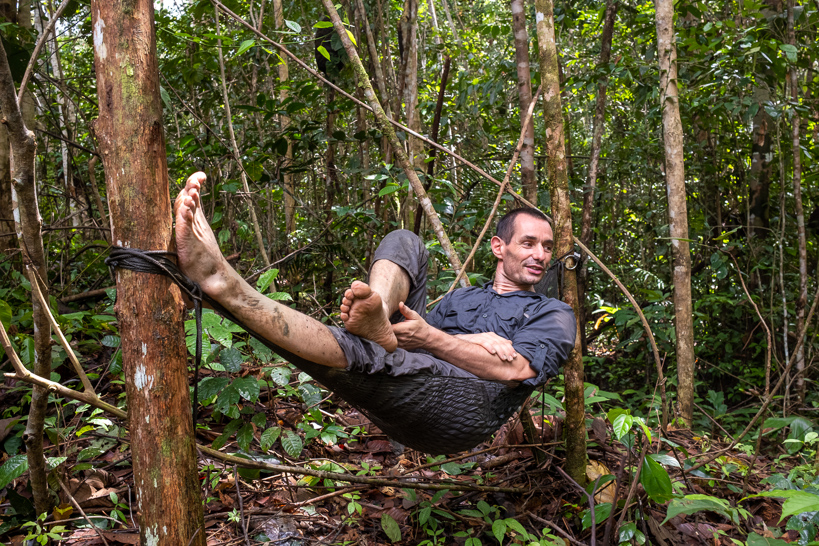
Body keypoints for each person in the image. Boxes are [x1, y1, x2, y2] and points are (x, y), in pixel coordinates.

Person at [174, 172, 576, 386]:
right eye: (528, 243)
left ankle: (225, 283)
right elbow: (411, 337)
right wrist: (472, 339)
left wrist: (435, 339)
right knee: (405, 240)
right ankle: (379, 309)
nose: (541, 255)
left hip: (459, 392)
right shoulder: (463, 299)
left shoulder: (553, 312)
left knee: (366, 351)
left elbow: (515, 369)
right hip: (413, 354)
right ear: (498, 247)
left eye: (547, 246)